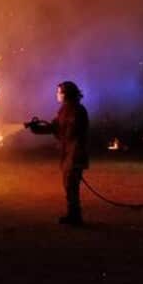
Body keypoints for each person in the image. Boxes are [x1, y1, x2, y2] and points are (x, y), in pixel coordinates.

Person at [26, 81, 90, 225]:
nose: (57, 94)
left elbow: (69, 131)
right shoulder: (64, 110)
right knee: (69, 185)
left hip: (75, 153)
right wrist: (36, 128)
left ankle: (75, 216)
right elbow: (54, 127)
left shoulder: (78, 110)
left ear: (66, 94)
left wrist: (56, 131)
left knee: (71, 185)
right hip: (68, 153)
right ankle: (73, 214)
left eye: (59, 92)